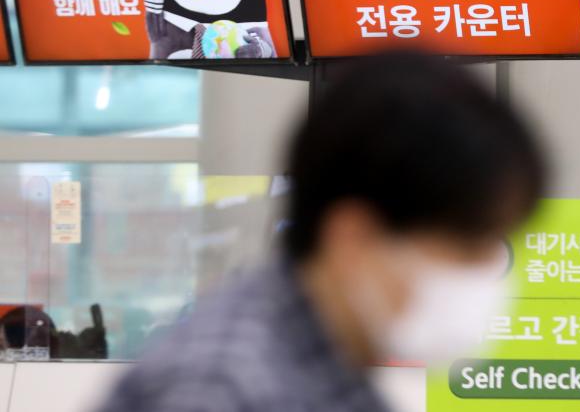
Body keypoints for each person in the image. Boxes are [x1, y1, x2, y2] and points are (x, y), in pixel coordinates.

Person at [97, 55, 546, 412]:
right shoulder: (220, 388)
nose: (488, 274)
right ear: (355, 239)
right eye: (467, 248)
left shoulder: (327, 367)